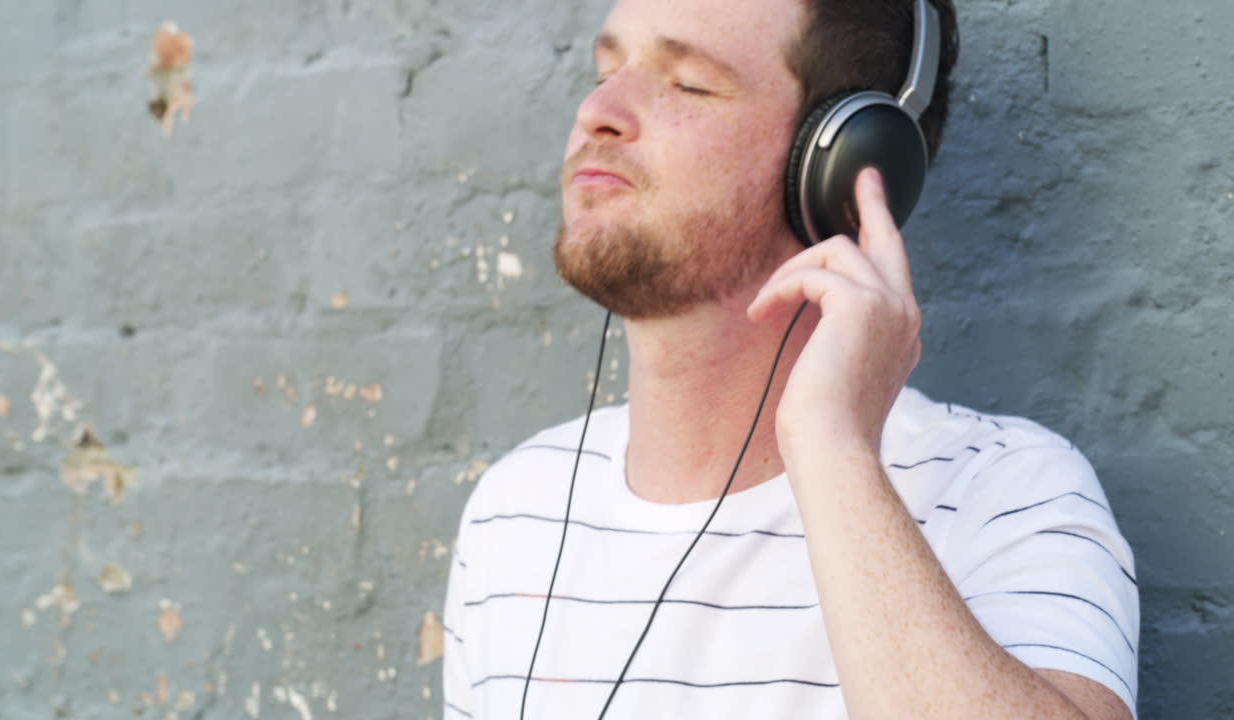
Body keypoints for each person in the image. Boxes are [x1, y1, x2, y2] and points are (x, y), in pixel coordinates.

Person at [441, 0, 1139, 717]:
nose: (599, 110)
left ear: (841, 164)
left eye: (689, 83)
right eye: (607, 68)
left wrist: (831, 447)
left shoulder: (1002, 493)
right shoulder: (513, 514)